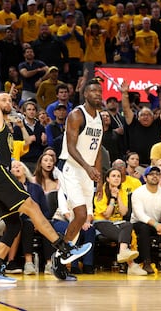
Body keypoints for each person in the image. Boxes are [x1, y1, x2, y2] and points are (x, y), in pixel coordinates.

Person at [0, 55, 91, 283]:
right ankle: (64, 248)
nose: (7, 101)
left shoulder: (8, 128)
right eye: (3, 99)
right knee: (31, 205)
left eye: (9, 99)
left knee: (14, 223)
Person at [59, 77, 103, 252]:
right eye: (93, 91)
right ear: (85, 94)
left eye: (100, 91)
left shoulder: (99, 117)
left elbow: (98, 149)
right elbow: (70, 147)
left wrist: (99, 179)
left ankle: (62, 258)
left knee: (81, 218)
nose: (97, 94)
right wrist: (87, 167)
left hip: (88, 171)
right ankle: (61, 252)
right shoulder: (76, 115)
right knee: (80, 214)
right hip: (72, 169)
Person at [93, 168, 147, 275]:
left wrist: (118, 196)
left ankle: (123, 253)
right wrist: (113, 197)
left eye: (118, 176)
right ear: (107, 179)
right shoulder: (101, 191)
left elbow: (123, 212)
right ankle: (131, 264)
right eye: (113, 176)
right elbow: (107, 214)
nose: (116, 178)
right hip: (101, 222)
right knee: (126, 237)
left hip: (118, 222)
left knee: (128, 224)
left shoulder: (122, 191)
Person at [131, 166, 161, 274]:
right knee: (144, 228)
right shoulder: (138, 192)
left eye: (157, 174)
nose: (155, 176)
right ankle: (146, 262)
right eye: (152, 174)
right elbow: (140, 215)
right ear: (145, 178)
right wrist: (157, 225)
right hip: (139, 223)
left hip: (158, 223)